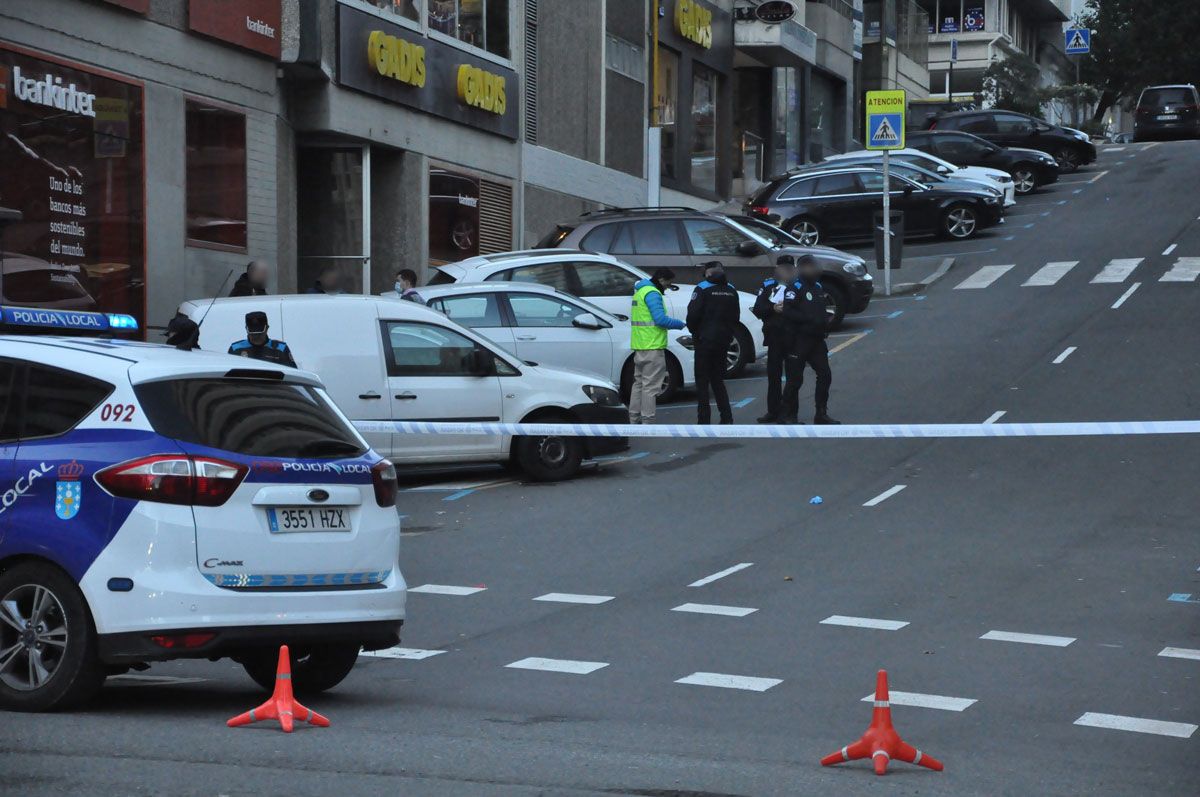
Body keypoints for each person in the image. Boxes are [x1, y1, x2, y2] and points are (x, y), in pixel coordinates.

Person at [779, 255, 840, 425]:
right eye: (812, 266)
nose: (816, 270)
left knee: (825, 374)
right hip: (798, 341)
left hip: (816, 340)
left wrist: (824, 324)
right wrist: (808, 319)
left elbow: (821, 310)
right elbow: (788, 312)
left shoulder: (818, 287)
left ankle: (821, 413)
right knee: (795, 380)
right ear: (802, 268)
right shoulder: (795, 287)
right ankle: (787, 415)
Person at [629, 267, 685, 424]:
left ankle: (634, 419)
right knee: (650, 386)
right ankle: (648, 421)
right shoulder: (653, 293)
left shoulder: (640, 292)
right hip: (653, 346)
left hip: (640, 346)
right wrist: (681, 324)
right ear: (661, 279)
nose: (667, 287)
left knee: (638, 384)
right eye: (668, 283)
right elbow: (660, 319)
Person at [686, 261, 741, 425]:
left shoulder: (702, 288)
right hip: (723, 340)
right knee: (718, 381)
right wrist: (728, 333)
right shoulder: (731, 289)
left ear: (708, 273)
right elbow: (736, 316)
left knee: (702, 382)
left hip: (704, 340)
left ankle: (704, 420)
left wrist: (695, 332)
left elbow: (693, 314)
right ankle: (727, 418)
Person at [752, 256, 798, 424]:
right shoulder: (768, 285)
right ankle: (773, 411)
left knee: (793, 376)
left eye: (788, 268)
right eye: (782, 267)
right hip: (774, 336)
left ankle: (790, 413)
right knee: (773, 375)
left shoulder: (798, 285)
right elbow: (758, 308)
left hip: (793, 336)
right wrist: (773, 308)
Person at [228, 311, 297, 367]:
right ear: (246, 329)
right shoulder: (235, 349)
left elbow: (293, 374)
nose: (256, 336)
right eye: (253, 332)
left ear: (267, 328)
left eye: (259, 332)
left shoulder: (281, 348)